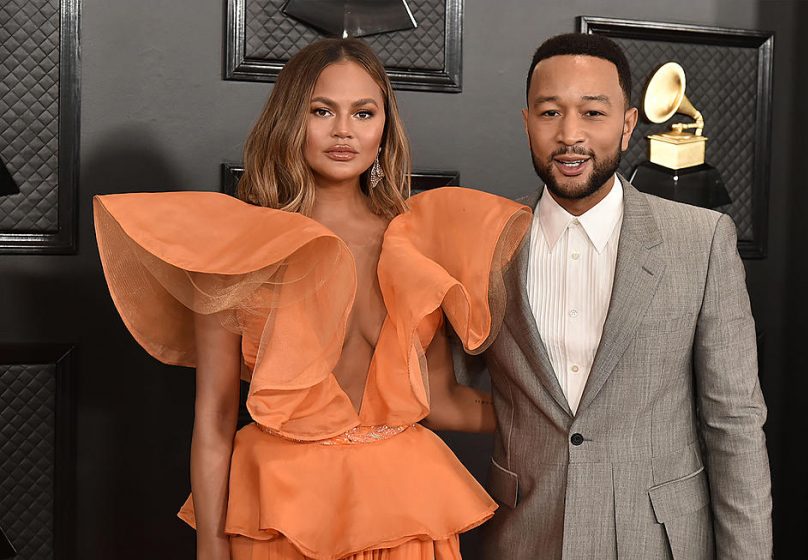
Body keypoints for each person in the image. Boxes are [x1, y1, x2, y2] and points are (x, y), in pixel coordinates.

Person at [92, 38, 530, 559]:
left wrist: (557, 416)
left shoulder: (418, 244)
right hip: (280, 516)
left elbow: (442, 402)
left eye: (363, 113)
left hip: (406, 511)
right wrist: (210, 545)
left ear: (384, 127)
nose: (343, 130)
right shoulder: (240, 248)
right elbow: (213, 418)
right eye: (322, 110)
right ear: (290, 119)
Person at [476, 33, 773, 558]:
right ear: (527, 122)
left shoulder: (700, 241)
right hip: (522, 534)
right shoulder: (482, 243)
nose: (570, 135)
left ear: (628, 124)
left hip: (656, 538)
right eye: (550, 113)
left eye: (593, 113)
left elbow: (734, 424)